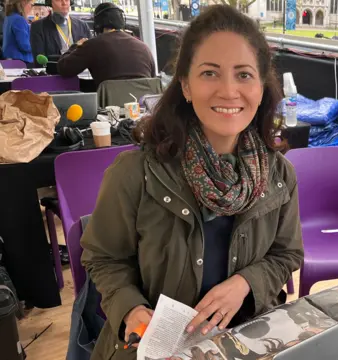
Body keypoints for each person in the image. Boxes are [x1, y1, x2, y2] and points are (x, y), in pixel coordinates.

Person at [80, 5, 303, 360]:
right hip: (155, 347)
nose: (229, 91)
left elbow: (286, 254)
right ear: (185, 84)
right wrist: (131, 309)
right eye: (210, 73)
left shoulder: (279, 175)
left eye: (244, 75)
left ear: (261, 86)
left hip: (245, 339)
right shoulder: (135, 172)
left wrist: (246, 283)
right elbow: (103, 258)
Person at [57, 3, 155, 86]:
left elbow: (64, 68)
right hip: (142, 106)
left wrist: (75, 46)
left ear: (97, 24)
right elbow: (152, 79)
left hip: (109, 106)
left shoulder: (93, 45)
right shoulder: (144, 47)